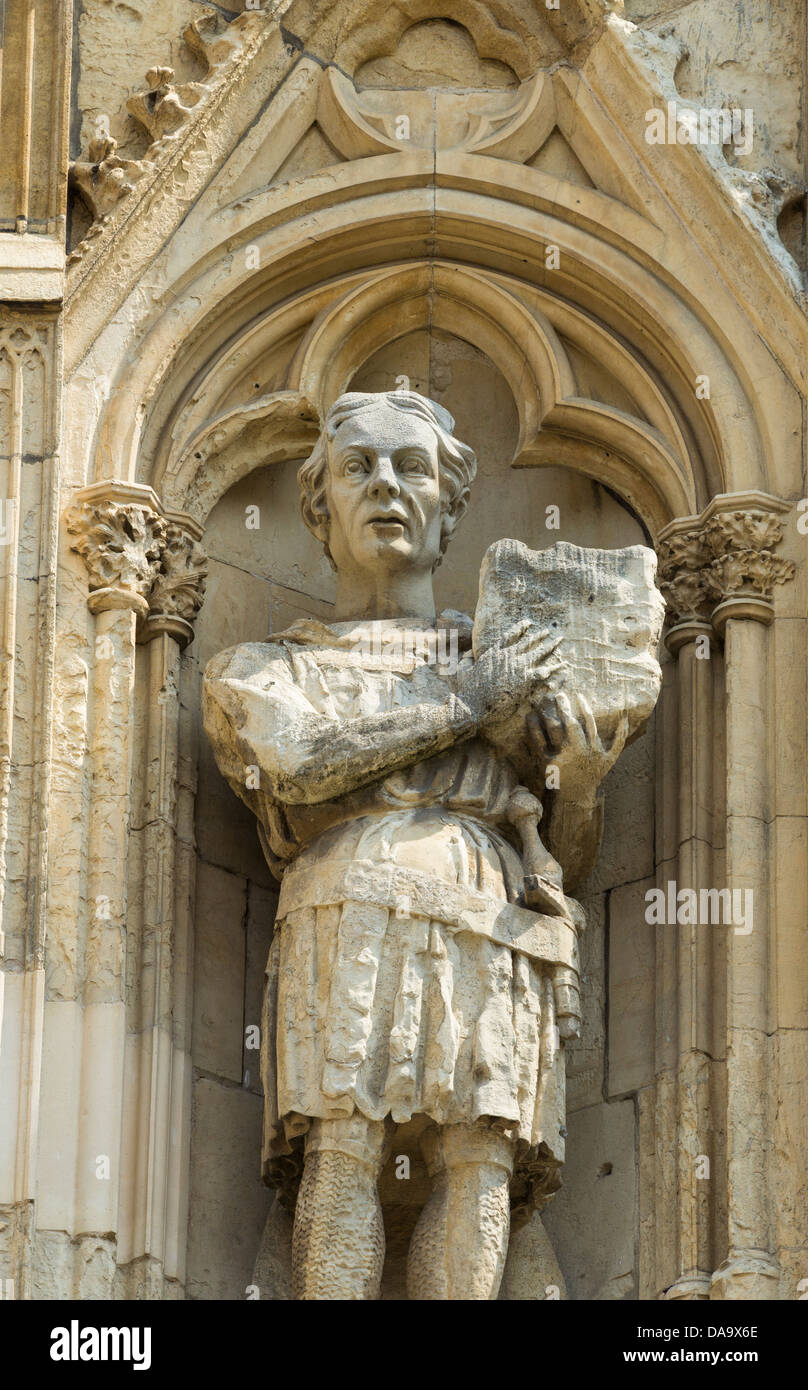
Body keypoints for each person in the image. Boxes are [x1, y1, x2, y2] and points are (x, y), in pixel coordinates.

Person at [203, 390, 623, 1299]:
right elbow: (300, 764)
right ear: (320, 508)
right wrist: (471, 701)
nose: (386, 486)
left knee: (480, 1153)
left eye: (412, 467)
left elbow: (568, 853)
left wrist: (579, 784)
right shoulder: (269, 666)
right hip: (343, 902)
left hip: (494, 913)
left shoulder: (515, 661)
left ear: (449, 505)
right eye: (359, 468)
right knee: (343, 1140)